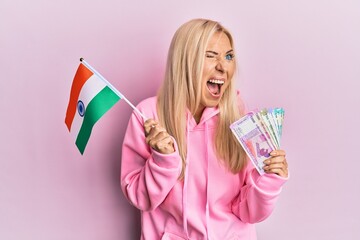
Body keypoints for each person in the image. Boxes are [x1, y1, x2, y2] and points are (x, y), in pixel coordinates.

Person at [121, 18, 289, 240]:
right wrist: (163, 160)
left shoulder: (243, 122)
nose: (223, 66)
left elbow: (249, 212)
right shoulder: (149, 115)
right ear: (185, 62)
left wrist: (270, 181)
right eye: (210, 56)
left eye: (229, 56)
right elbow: (140, 197)